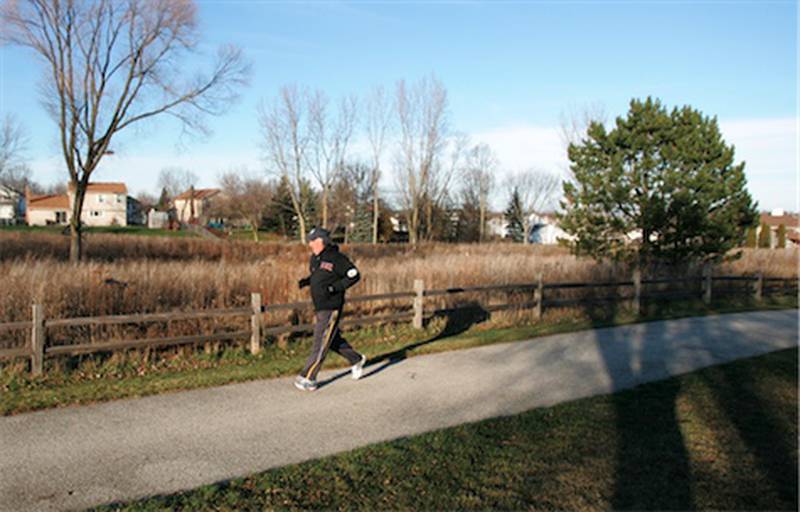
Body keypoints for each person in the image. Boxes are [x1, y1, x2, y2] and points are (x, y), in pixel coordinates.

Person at [294, 227, 367, 391]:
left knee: (320, 341)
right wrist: (307, 282)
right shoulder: (315, 259)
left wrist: (335, 288)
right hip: (319, 306)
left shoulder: (337, 258)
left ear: (321, 241)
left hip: (331, 306)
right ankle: (356, 359)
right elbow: (318, 276)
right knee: (331, 339)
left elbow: (354, 275)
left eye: (312, 240)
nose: (310, 244)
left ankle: (309, 377)